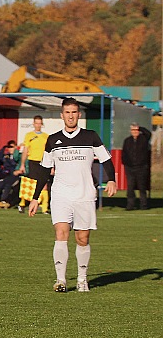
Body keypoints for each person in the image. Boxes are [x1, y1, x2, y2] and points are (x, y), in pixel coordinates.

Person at [28, 98, 117, 292]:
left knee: (82, 239)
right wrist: (35, 197)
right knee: (61, 234)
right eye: (67, 112)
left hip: (84, 194)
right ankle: (60, 280)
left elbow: (107, 160)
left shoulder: (91, 136)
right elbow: (44, 169)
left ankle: (82, 279)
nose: (71, 115)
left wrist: (111, 179)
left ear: (79, 114)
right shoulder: (52, 140)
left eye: (74, 112)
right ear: (62, 115)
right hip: (60, 194)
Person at [19, 116, 50, 214]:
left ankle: (45, 209)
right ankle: (22, 204)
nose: (38, 125)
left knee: (44, 184)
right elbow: (25, 150)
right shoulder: (29, 135)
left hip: (43, 162)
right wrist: (22, 164)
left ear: (42, 124)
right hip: (32, 162)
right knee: (30, 185)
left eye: (39, 123)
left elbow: (49, 152)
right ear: (33, 124)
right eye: (36, 123)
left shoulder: (46, 136)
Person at [121, 123, 151, 210]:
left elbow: (148, 133)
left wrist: (140, 127)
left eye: (136, 130)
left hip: (141, 167)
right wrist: (126, 163)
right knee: (130, 187)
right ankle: (130, 205)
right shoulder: (127, 141)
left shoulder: (143, 139)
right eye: (133, 130)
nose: (134, 132)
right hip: (130, 168)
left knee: (142, 187)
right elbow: (124, 154)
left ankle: (143, 205)